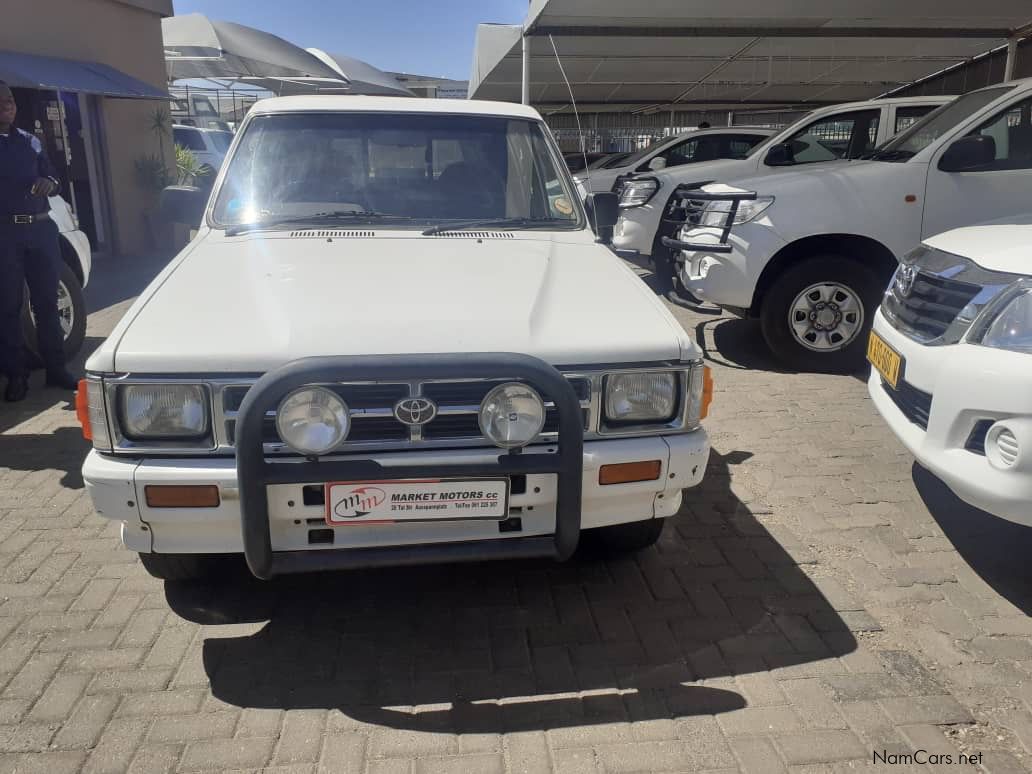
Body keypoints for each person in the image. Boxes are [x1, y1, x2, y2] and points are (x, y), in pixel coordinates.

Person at [0, 81, 77, 402]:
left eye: (11, 100)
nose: (8, 105)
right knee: (8, 306)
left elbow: (55, 177)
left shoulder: (30, 141)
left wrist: (50, 182)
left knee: (47, 301)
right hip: (6, 233)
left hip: (41, 229)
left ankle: (56, 370)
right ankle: (16, 376)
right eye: (2, 100)